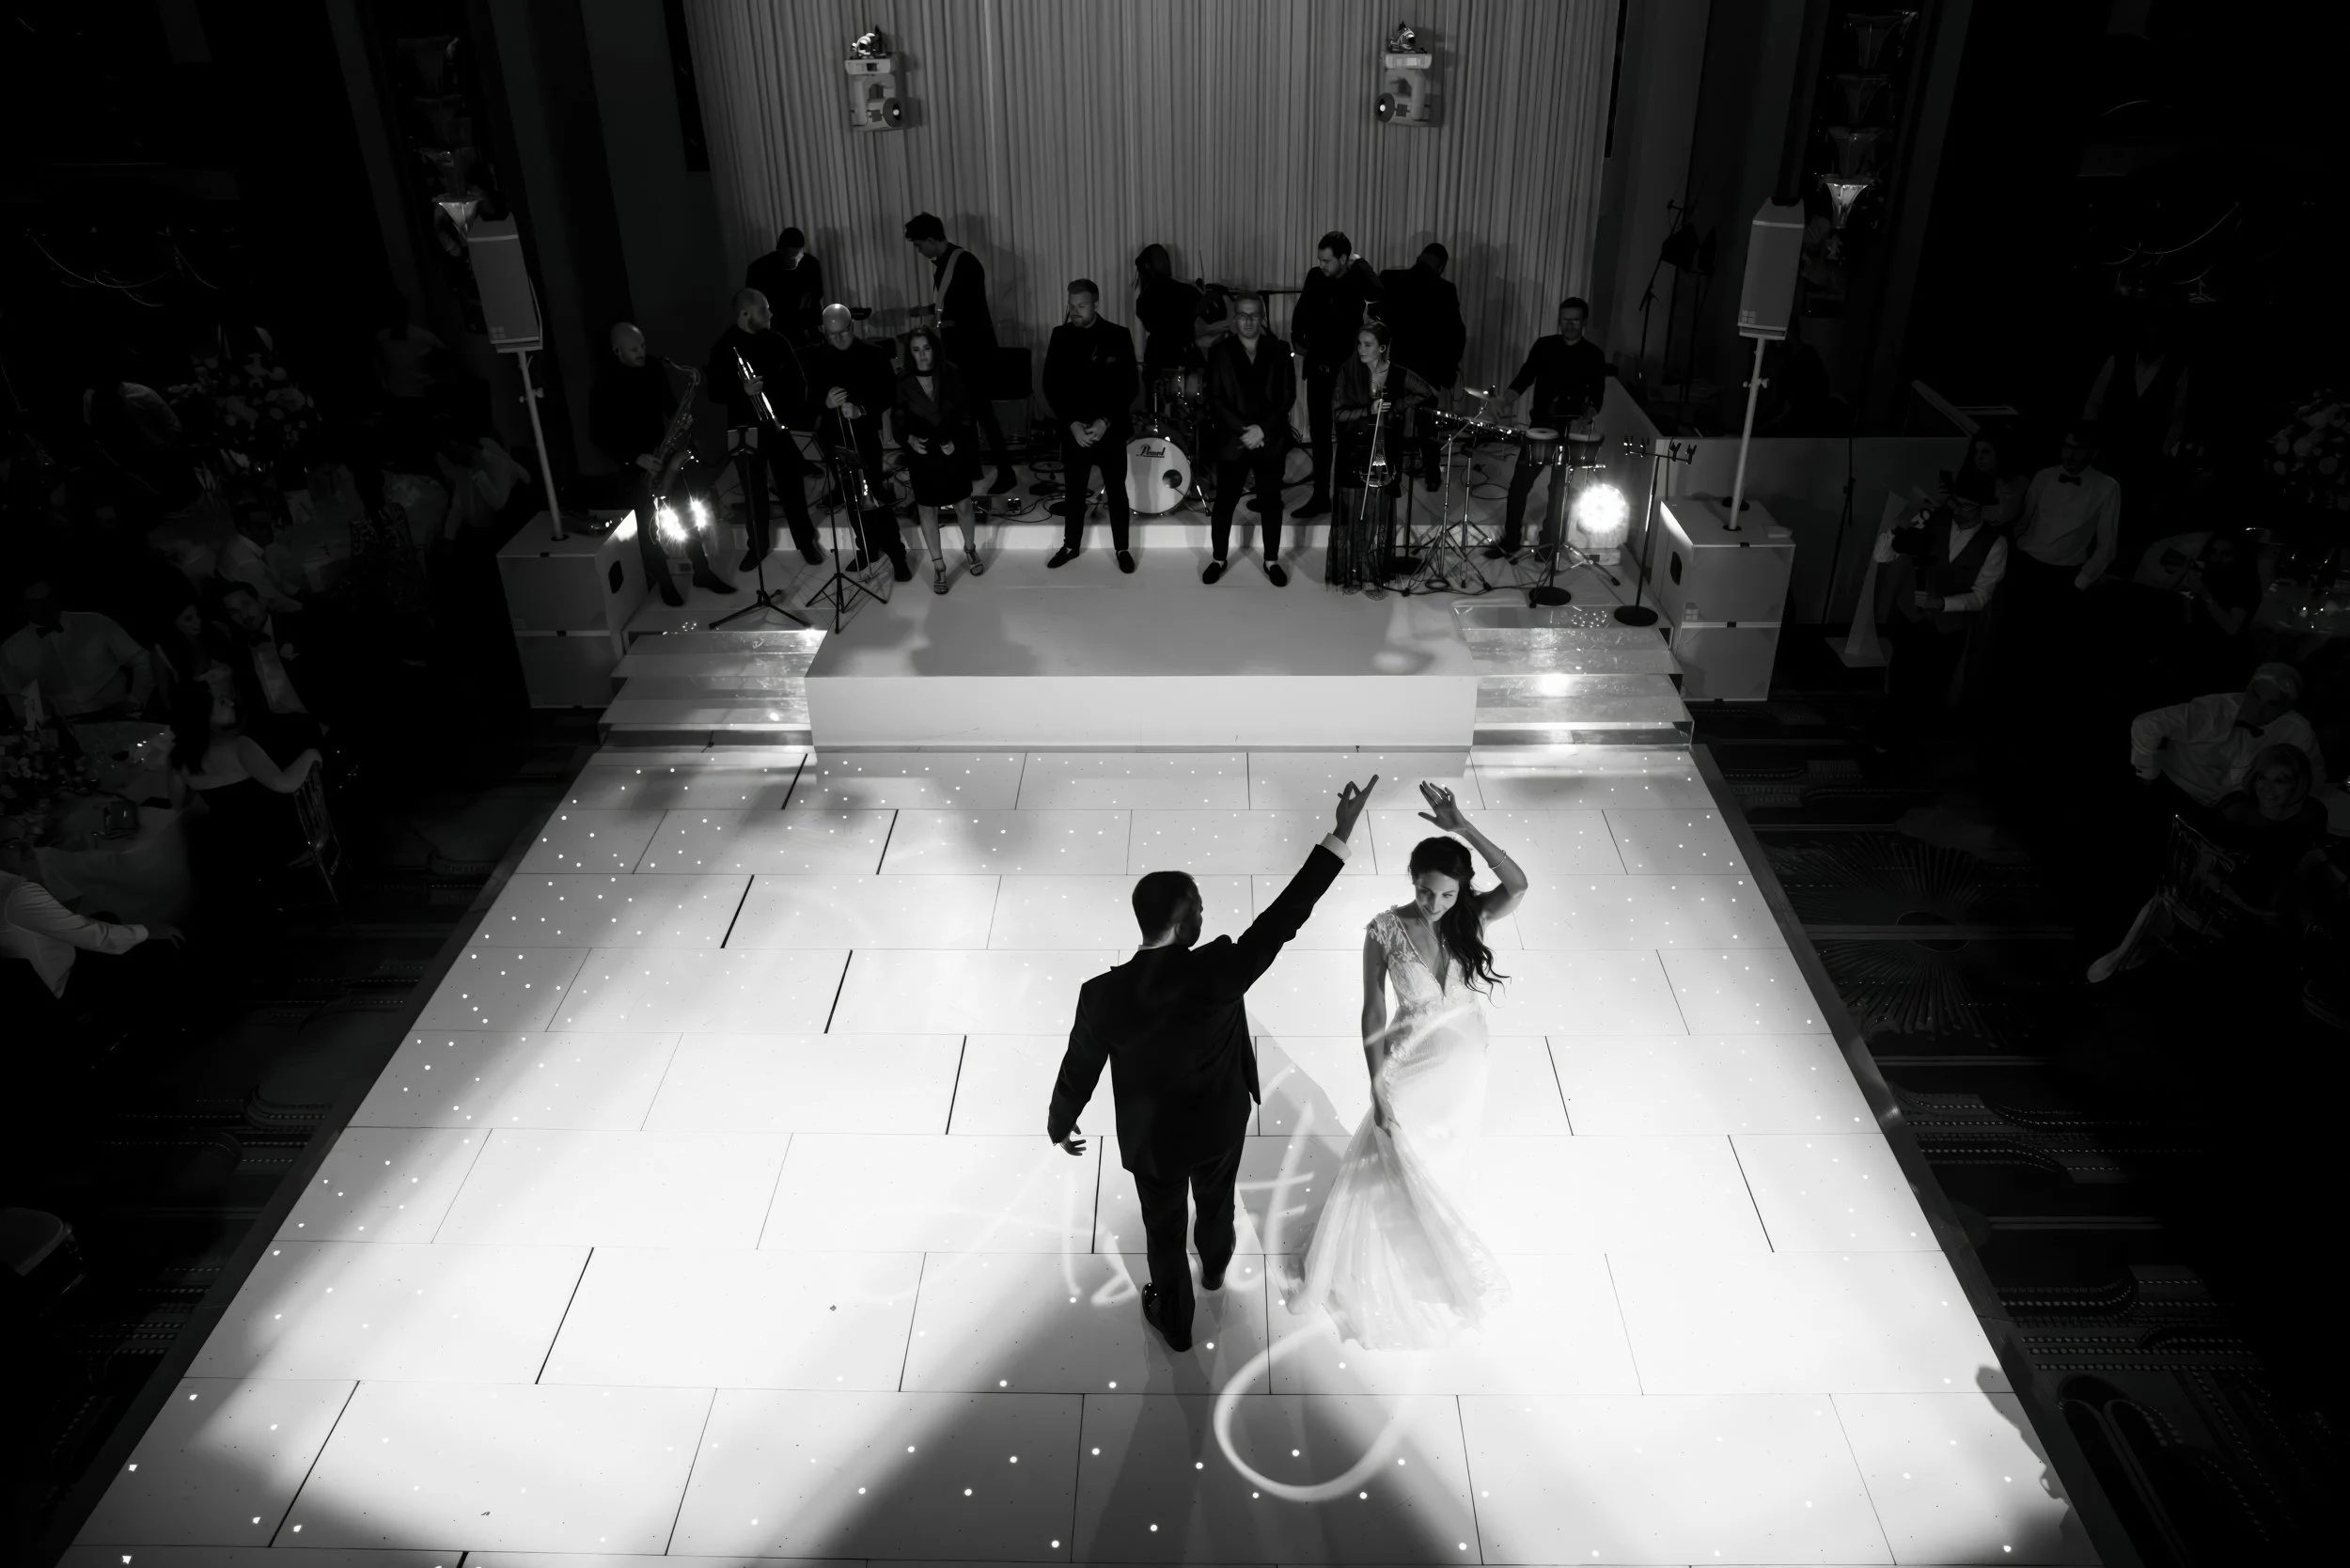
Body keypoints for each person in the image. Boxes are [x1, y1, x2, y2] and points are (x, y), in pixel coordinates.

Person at [1048, 775, 1376, 1354]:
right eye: (1198, 906)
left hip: (1152, 1144)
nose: (1204, 912)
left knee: (1163, 1233)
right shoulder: (1218, 970)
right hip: (1219, 1125)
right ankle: (1218, 1268)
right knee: (1217, 1202)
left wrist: (1062, 1120)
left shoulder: (1100, 994)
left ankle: (1175, 1323)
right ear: (1183, 923)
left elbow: (1080, 1065)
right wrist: (1339, 836)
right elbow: (1285, 917)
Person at [1290, 785, 1528, 1348]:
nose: (1434, 903)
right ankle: (1347, 1267)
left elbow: (1517, 885)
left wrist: (1464, 826)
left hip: (1466, 1073)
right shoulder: (1384, 931)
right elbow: (1372, 1010)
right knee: (1389, 1155)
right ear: (1411, 881)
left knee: (1443, 1161)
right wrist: (1377, 1085)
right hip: (1409, 1063)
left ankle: (1430, 1251)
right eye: (1425, 891)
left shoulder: (1473, 918)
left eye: (1446, 894)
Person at [2089, 745, 2327, 984]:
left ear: (2298, 783)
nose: (2267, 787)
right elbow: (2205, 855)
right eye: (2262, 777)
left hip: (2270, 901)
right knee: (2163, 901)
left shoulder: (2310, 814)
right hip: (2220, 891)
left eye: (2281, 780)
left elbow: (2302, 864)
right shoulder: (2236, 809)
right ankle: (2123, 960)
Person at [591, 322, 733, 605]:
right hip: (635, 462)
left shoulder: (653, 368)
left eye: (642, 345)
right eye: (634, 349)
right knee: (650, 527)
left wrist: (681, 420)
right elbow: (598, 433)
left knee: (686, 512)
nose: (641, 352)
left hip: (663, 450)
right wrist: (635, 457)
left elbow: (668, 404)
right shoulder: (605, 383)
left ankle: (701, 572)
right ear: (617, 350)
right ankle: (665, 582)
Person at [171, 685, 321, 919]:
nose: (230, 703)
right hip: (283, 841)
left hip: (241, 852)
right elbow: (284, 784)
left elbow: (177, 802)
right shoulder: (239, 746)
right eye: (221, 701)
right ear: (203, 715)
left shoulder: (179, 760)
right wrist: (311, 754)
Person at [1, 816, 182, 1005]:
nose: (26, 848)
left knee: (107, 917)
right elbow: (92, 936)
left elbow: (62, 921)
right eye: (12, 845)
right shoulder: (18, 893)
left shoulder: (11, 887)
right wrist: (148, 931)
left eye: (24, 841)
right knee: (156, 948)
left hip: (39, 976)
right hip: (61, 985)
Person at [706, 289, 825, 572]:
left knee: (791, 486)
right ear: (745, 314)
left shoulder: (777, 340)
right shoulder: (724, 347)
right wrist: (742, 390)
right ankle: (757, 547)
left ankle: (806, 542)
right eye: (764, 309)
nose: (770, 314)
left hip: (777, 427)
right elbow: (714, 392)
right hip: (741, 428)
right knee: (752, 490)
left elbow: (798, 382)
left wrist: (791, 416)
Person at [903, 212, 1018, 494]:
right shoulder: (946, 264)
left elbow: (971, 314)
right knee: (966, 415)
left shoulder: (964, 263)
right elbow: (950, 308)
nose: (918, 250)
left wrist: (935, 325)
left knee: (982, 414)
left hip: (972, 356)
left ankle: (1005, 472)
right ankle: (972, 468)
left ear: (931, 239)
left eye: (919, 244)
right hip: (959, 354)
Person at [1485, 297, 1608, 558]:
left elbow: (1598, 396)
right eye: (1565, 319)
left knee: (1559, 491)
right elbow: (1524, 377)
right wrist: (1504, 399)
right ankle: (1511, 541)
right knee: (1519, 484)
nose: (1570, 324)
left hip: (1572, 432)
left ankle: (1548, 544)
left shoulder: (1594, 355)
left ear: (1585, 321)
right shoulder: (1544, 346)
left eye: (1575, 319)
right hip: (1541, 426)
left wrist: (1585, 417)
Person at [1872, 489, 2009, 722]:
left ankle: (1918, 739)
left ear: (1982, 508)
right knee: (1899, 680)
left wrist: (1943, 603)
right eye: (1957, 503)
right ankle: (1888, 734)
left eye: (1967, 506)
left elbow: (1981, 595)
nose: (1959, 511)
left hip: (1948, 627)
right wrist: (1898, 528)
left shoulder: (1995, 543)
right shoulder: (1932, 520)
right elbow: (1882, 556)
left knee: (1931, 687)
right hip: (1910, 617)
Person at [2130, 662, 2325, 812]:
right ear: (2247, 690)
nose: (2258, 709)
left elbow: (2313, 777)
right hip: (2176, 788)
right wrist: (2148, 776)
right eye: (2255, 696)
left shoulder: (2297, 730)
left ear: (2286, 709)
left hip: (2234, 807)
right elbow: (2147, 724)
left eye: (2272, 704)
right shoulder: (2214, 709)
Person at [807, 303, 911, 581]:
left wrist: (862, 409)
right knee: (851, 499)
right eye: (831, 335)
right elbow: (807, 400)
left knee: (874, 496)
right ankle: (867, 548)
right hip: (834, 439)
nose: (838, 339)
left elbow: (890, 394)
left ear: (852, 326)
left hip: (864, 439)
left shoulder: (873, 355)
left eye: (842, 332)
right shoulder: (817, 358)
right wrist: (825, 403)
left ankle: (897, 555)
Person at [1327, 323, 1434, 595]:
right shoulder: (1347, 371)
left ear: (1383, 347)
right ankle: (1352, 572)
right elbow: (1338, 414)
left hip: (1384, 452)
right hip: (1353, 451)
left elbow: (1426, 391)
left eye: (1368, 345)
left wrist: (1396, 407)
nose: (1361, 349)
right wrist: (1369, 409)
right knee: (1352, 517)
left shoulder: (1397, 374)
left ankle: (1371, 573)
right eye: (1359, 343)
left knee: (1376, 517)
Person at [1042, 279, 1139, 573]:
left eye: (1080, 306)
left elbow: (1130, 385)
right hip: (1075, 431)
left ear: (1095, 304)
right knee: (1073, 492)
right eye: (1071, 306)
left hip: (1108, 428)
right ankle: (1071, 545)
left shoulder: (1117, 335)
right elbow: (1050, 385)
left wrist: (1105, 420)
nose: (1074, 311)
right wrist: (1071, 423)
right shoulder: (1060, 335)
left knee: (1116, 491)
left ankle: (1122, 548)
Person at [1201, 292, 1296, 587]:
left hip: (1269, 440)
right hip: (1234, 440)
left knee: (1270, 502)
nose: (1249, 320)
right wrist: (1245, 431)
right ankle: (1218, 558)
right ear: (1234, 319)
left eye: (1254, 314)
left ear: (1262, 317)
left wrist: (1262, 431)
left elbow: (1287, 397)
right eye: (1242, 315)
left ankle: (1271, 561)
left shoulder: (1280, 350)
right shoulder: (1220, 352)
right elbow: (1215, 399)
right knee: (1225, 503)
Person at [1290, 231, 1384, 518]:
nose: (1322, 265)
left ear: (1344, 259)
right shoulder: (1315, 277)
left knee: (1348, 435)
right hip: (1319, 367)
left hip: (1346, 373)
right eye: (1320, 259)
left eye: (1328, 260)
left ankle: (1347, 497)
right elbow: (1302, 312)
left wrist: (1361, 264)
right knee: (1319, 435)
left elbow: (1379, 293)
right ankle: (1321, 496)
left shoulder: (1356, 279)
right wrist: (1300, 340)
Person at [893, 326, 985, 594]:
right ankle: (939, 566)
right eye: (916, 350)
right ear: (910, 353)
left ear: (935, 349)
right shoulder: (903, 381)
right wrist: (908, 440)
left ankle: (970, 550)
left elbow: (967, 414)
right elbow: (896, 419)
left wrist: (956, 440)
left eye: (927, 348)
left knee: (964, 505)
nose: (922, 355)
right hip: (922, 453)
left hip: (951, 448)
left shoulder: (951, 374)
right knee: (926, 510)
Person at [1377, 243, 1466, 490]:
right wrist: (1448, 371)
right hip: (1428, 369)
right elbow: (1456, 335)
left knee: (1393, 423)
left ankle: (1392, 478)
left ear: (1419, 257)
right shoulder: (1445, 289)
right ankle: (1432, 476)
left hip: (1396, 365)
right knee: (1427, 424)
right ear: (1441, 266)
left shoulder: (1390, 278)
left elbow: (1379, 320)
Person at [3, 580, 153, 723]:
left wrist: (135, 700)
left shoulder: (95, 623)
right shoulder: (10, 650)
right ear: (21, 609)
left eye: (49, 599)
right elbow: (16, 699)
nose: (47, 607)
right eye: (36, 604)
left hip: (117, 716)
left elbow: (141, 659)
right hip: (60, 727)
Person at [2012, 421, 2122, 607]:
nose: (2070, 455)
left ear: (2093, 453)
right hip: (2025, 563)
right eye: (2067, 447)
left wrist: (2080, 583)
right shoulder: (2043, 476)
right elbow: (2023, 522)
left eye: (2079, 449)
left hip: (2065, 574)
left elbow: (2107, 546)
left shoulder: (2107, 487)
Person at [210, 579, 322, 757]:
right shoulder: (238, 650)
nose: (244, 615)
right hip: (276, 730)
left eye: (246, 604)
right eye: (234, 612)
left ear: (260, 600)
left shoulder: (296, 625)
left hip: (315, 718)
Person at [2084, 313, 2190, 483]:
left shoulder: (2177, 370)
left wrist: (2165, 449)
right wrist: (2088, 443)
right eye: (2150, 334)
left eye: (2158, 335)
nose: (2152, 340)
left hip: (2145, 458)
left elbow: (2178, 417)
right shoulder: (2119, 360)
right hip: (2107, 448)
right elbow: (2094, 404)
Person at [1134, 243, 1205, 381]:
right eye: (1162, 259)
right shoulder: (1187, 289)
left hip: (1159, 356)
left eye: (1166, 258)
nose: (1166, 263)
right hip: (1182, 355)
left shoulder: (1144, 297)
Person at [744, 227, 824, 344]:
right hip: (774, 330)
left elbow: (815, 299)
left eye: (799, 255)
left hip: (803, 327)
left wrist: (814, 328)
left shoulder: (810, 264)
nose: (796, 261)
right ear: (780, 251)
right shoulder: (760, 269)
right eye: (791, 257)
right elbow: (754, 306)